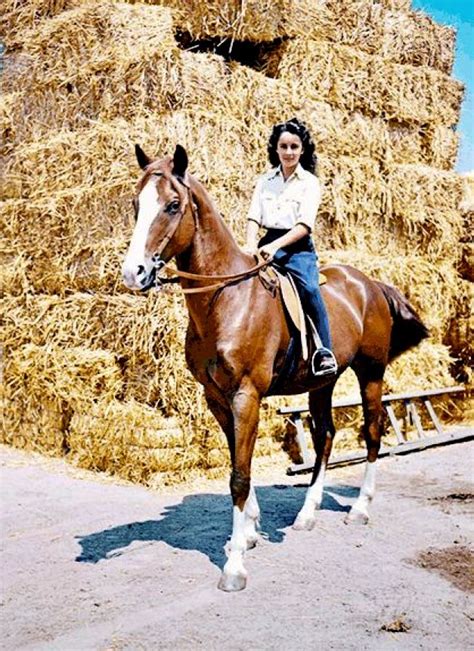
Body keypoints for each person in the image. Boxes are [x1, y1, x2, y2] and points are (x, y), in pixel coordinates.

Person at [244, 117, 338, 377]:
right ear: (275, 149)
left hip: (297, 248)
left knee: (309, 288)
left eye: (294, 147)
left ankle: (324, 351)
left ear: (302, 150)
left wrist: (275, 246)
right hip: (266, 244)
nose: (288, 152)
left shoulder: (309, 183)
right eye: (283, 146)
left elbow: (304, 226)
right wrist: (251, 244)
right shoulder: (265, 181)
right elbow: (254, 217)